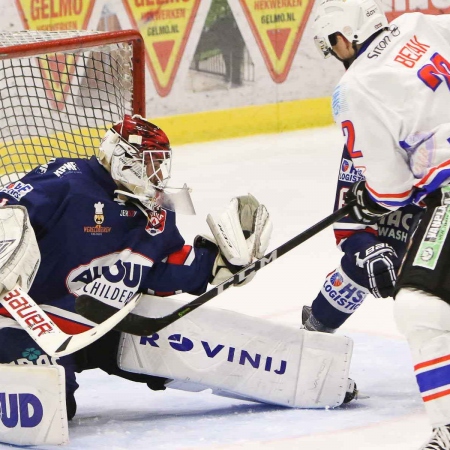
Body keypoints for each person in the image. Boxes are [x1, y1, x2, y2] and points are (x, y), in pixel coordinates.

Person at [0, 115, 271, 429]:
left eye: (161, 165)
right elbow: (7, 215)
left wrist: (217, 267)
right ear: (122, 158)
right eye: (150, 164)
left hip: (103, 326)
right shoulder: (64, 183)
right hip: (27, 323)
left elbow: (157, 269)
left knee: (175, 363)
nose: (156, 174)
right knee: (50, 406)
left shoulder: (153, 210)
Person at [312, 1, 450, 448]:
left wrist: (368, 203)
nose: (336, 56)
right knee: (376, 262)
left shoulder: (355, 88)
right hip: (433, 198)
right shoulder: (420, 23)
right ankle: (316, 327)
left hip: (443, 191)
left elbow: (389, 190)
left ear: (343, 36)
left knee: (421, 307)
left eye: (333, 46)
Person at [302, 144, 422, 333]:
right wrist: (364, 249)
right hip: (409, 174)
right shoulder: (367, 128)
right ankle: (318, 324)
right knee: (376, 262)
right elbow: (350, 226)